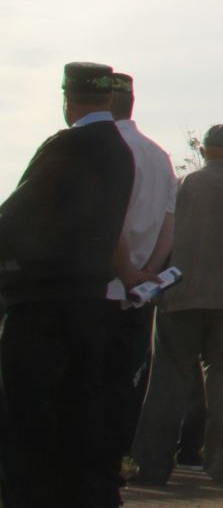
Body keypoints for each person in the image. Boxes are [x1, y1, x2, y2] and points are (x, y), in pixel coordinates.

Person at [0, 62, 137, 508]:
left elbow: (23, 214)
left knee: (29, 415)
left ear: (68, 97)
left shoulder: (71, 145)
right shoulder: (120, 151)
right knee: (77, 410)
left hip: (42, 298)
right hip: (88, 299)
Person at [130, 123, 223, 486]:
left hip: (180, 297)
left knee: (167, 384)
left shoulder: (184, 186)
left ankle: (152, 468)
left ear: (205, 151)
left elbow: (160, 233)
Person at [104, 73, 178, 480]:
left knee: (90, 377)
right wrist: (149, 270)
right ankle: (114, 460)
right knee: (127, 378)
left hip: (103, 285)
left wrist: (126, 270)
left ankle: (90, 461)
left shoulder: (105, 149)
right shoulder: (157, 155)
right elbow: (169, 220)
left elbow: (108, 219)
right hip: (141, 289)